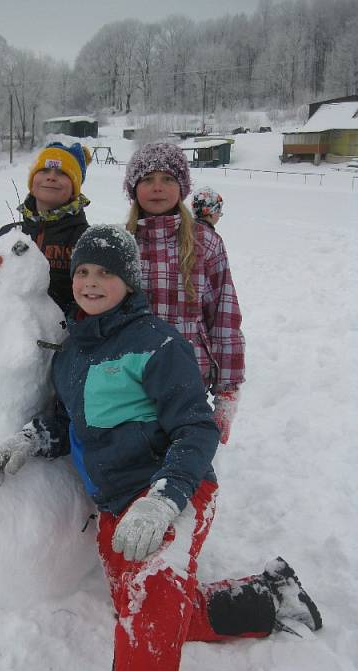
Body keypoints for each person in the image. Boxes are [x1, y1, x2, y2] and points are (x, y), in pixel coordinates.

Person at [0, 225, 322, 671]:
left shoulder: (160, 344)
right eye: (85, 272)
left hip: (176, 494)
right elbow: (72, 419)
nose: (92, 282)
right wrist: (33, 438)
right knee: (155, 609)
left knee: (146, 607)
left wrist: (165, 501)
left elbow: (196, 427)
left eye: (105, 273)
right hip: (118, 504)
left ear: (128, 281)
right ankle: (269, 597)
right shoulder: (72, 351)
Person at [125, 143, 243, 445]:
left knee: (189, 465)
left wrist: (227, 391)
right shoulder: (122, 243)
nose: (157, 188)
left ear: (182, 188)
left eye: (168, 179)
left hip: (190, 378)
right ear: (134, 188)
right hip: (130, 379)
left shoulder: (206, 243)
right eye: (148, 179)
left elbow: (224, 316)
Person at [0, 141, 91, 312]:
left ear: (75, 187)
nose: (51, 177)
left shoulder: (85, 239)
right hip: (7, 333)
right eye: (43, 170)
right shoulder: (8, 234)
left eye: (62, 173)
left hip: (61, 336)